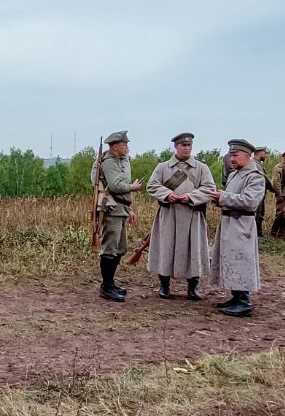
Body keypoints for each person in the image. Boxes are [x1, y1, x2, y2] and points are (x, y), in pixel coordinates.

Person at [147, 132, 216, 299]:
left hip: (191, 214)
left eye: (189, 145)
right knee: (166, 248)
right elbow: (152, 185)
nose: (187, 148)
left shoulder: (201, 168)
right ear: (176, 146)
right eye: (183, 145)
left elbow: (209, 188)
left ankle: (193, 288)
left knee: (194, 249)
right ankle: (164, 286)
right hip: (169, 214)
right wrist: (166, 194)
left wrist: (191, 197)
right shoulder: (163, 167)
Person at [210, 139, 266, 316]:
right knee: (231, 259)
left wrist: (224, 197)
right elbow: (233, 197)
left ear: (247, 155)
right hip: (229, 223)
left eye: (235, 155)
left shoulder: (255, 176)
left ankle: (244, 302)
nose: (231, 159)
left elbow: (250, 202)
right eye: (230, 155)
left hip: (242, 224)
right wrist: (218, 200)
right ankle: (236, 297)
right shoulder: (235, 174)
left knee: (241, 260)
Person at [96, 130, 144, 302]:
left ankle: (110, 283)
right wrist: (132, 187)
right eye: (125, 144)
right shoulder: (109, 162)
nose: (127, 147)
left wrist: (129, 208)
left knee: (119, 248)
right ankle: (106, 286)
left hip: (120, 208)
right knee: (110, 248)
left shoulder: (119, 161)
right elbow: (116, 186)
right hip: (111, 209)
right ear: (115, 146)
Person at [252, 146, 273, 240]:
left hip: (259, 193)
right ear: (260, 153)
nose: (265, 155)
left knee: (260, 213)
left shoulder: (257, 164)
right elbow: (264, 178)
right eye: (265, 153)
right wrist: (274, 189)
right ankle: (256, 234)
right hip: (256, 193)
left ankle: (258, 233)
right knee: (258, 213)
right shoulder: (255, 164)